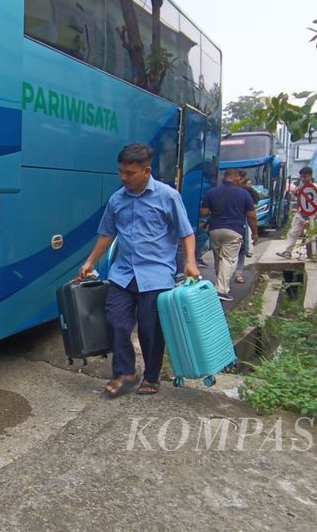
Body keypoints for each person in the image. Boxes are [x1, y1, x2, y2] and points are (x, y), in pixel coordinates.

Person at [79, 143, 200, 397]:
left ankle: (152, 376)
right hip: (123, 274)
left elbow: (186, 232)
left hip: (156, 276)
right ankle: (124, 373)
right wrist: (90, 261)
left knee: (150, 330)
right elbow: (107, 233)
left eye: (129, 173)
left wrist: (190, 261)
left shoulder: (168, 196)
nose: (124, 178)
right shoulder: (117, 199)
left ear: (146, 171)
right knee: (116, 322)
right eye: (121, 172)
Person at [200, 168, 258, 301]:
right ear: (237, 179)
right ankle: (221, 290)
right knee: (229, 259)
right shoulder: (244, 194)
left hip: (215, 230)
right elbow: (251, 216)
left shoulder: (212, 192)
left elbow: (204, 212)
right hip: (234, 230)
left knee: (219, 258)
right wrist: (254, 234)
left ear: (223, 178)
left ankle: (220, 284)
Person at [277, 166, 317, 260]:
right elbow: (299, 198)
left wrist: (311, 217)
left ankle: (313, 254)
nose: (303, 179)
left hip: (310, 215)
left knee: (311, 235)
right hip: (300, 213)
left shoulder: (315, 188)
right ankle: (288, 252)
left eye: (305, 177)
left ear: (310, 176)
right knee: (293, 233)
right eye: (302, 177)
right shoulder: (302, 186)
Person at [234, 172, 261, 284]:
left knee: (240, 249)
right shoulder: (238, 191)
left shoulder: (247, 191)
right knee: (237, 249)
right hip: (236, 224)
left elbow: (253, 211)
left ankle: (236, 273)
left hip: (240, 223)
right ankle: (234, 273)